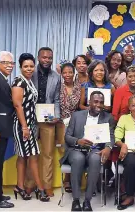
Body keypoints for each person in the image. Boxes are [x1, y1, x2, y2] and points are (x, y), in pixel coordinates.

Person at [60, 91, 115, 211]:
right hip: (76, 149)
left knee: (96, 158)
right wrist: (78, 141)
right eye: (95, 101)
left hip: (95, 149)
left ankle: (87, 200)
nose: (98, 105)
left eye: (101, 102)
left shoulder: (108, 117)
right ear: (89, 102)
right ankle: (75, 200)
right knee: (78, 159)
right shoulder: (77, 115)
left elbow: (111, 137)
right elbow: (67, 137)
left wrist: (108, 147)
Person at [11, 53, 50, 202]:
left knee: (23, 157)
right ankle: (40, 189)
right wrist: (25, 127)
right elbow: (17, 105)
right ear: (20, 67)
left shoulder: (28, 81)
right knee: (33, 156)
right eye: (25, 66)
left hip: (29, 124)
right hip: (22, 125)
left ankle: (19, 187)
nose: (29, 69)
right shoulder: (18, 82)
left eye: (31, 66)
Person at [25, 47, 61, 197]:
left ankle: (47, 185)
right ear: (38, 58)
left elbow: (57, 99)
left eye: (50, 58)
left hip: (48, 119)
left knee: (48, 153)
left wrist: (57, 115)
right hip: (31, 118)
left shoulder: (56, 76)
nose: (47, 60)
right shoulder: (29, 73)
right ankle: (30, 184)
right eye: (44, 57)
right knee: (32, 153)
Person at [0, 51, 15, 208]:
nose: (9, 65)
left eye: (11, 63)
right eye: (5, 63)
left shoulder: (3, 79)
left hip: (4, 128)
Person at [59, 62, 82, 192]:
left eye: (70, 72)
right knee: (66, 150)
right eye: (65, 72)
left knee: (76, 150)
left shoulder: (79, 87)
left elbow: (81, 105)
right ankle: (66, 180)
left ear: (74, 73)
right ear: (61, 74)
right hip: (61, 123)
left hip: (76, 122)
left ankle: (75, 180)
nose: (67, 75)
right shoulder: (58, 86)